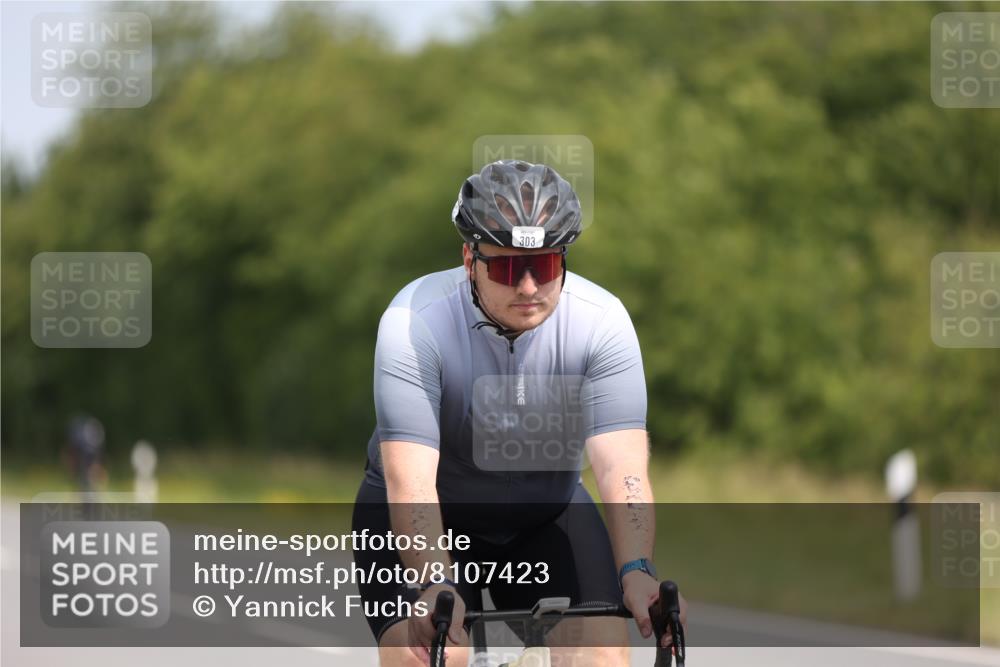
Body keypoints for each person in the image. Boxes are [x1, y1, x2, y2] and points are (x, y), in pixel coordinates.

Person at [352, 160, 685, 666]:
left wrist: (636, 569)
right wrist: (434, 579)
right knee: (433, 656)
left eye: (545, 266)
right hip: (435, 513)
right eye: (508, 268)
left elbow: (622, 471)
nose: (528, 286)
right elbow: (412, 484)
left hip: (543, 513)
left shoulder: (601, 322)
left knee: (599, 658)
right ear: (469, 259)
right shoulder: (413, 321)